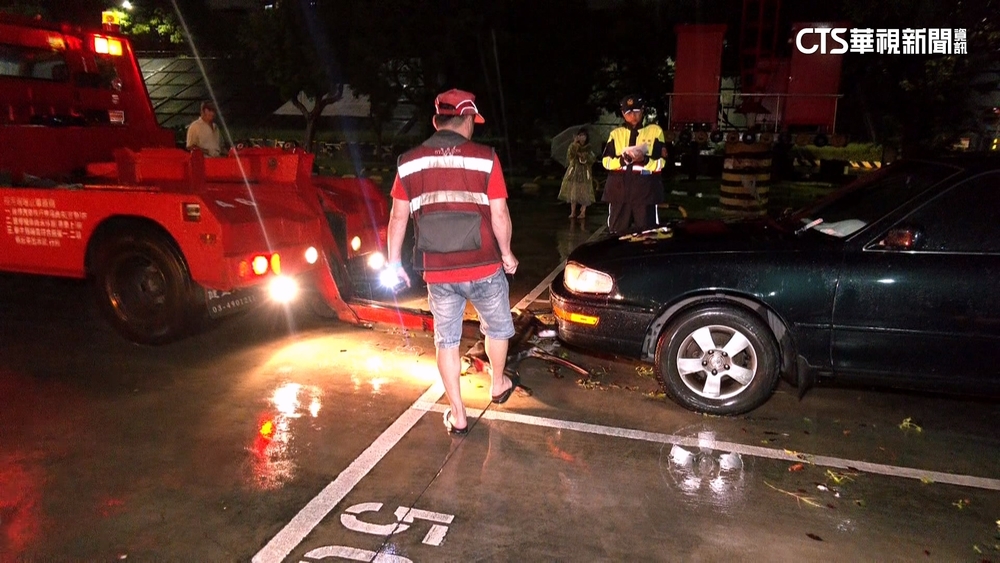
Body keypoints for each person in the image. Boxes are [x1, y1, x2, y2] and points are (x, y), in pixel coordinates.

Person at [384, 88, 525, 436]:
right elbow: (500, 213)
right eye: (473, 121)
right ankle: (497, 384)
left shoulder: (409, 161)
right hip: (484, 265)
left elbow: (397, 218)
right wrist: (506, 253)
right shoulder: (485, 158)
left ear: (436, 121)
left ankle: (458, 414)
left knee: (446, 341)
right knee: (495, 327)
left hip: (438, 270)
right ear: (465, 119)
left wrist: (393, 263)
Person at [600, 94, 667, 234]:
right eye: (628, 113)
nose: (633, 116)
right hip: (619, 193)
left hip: (644, 193)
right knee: (615, 235)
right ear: (623, 114)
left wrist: (644, 160)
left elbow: (662, 163)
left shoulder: (655, 131)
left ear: (643, 111)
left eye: (636, 111)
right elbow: (605, 161)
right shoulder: (616, 134)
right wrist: (621, 161)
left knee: (647, 235)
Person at [557, 127, 596, 219]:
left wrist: (585, 157)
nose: (582, 138)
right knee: (573, 191)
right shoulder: (573, 146)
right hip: (574, 170)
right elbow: (570, 156)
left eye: (584, 136)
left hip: (584, 171)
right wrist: (575, 144)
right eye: (580, 135)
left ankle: (583, 212)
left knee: (584, 191)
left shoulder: (589, 147)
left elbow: (592, 159)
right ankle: (573, 212)